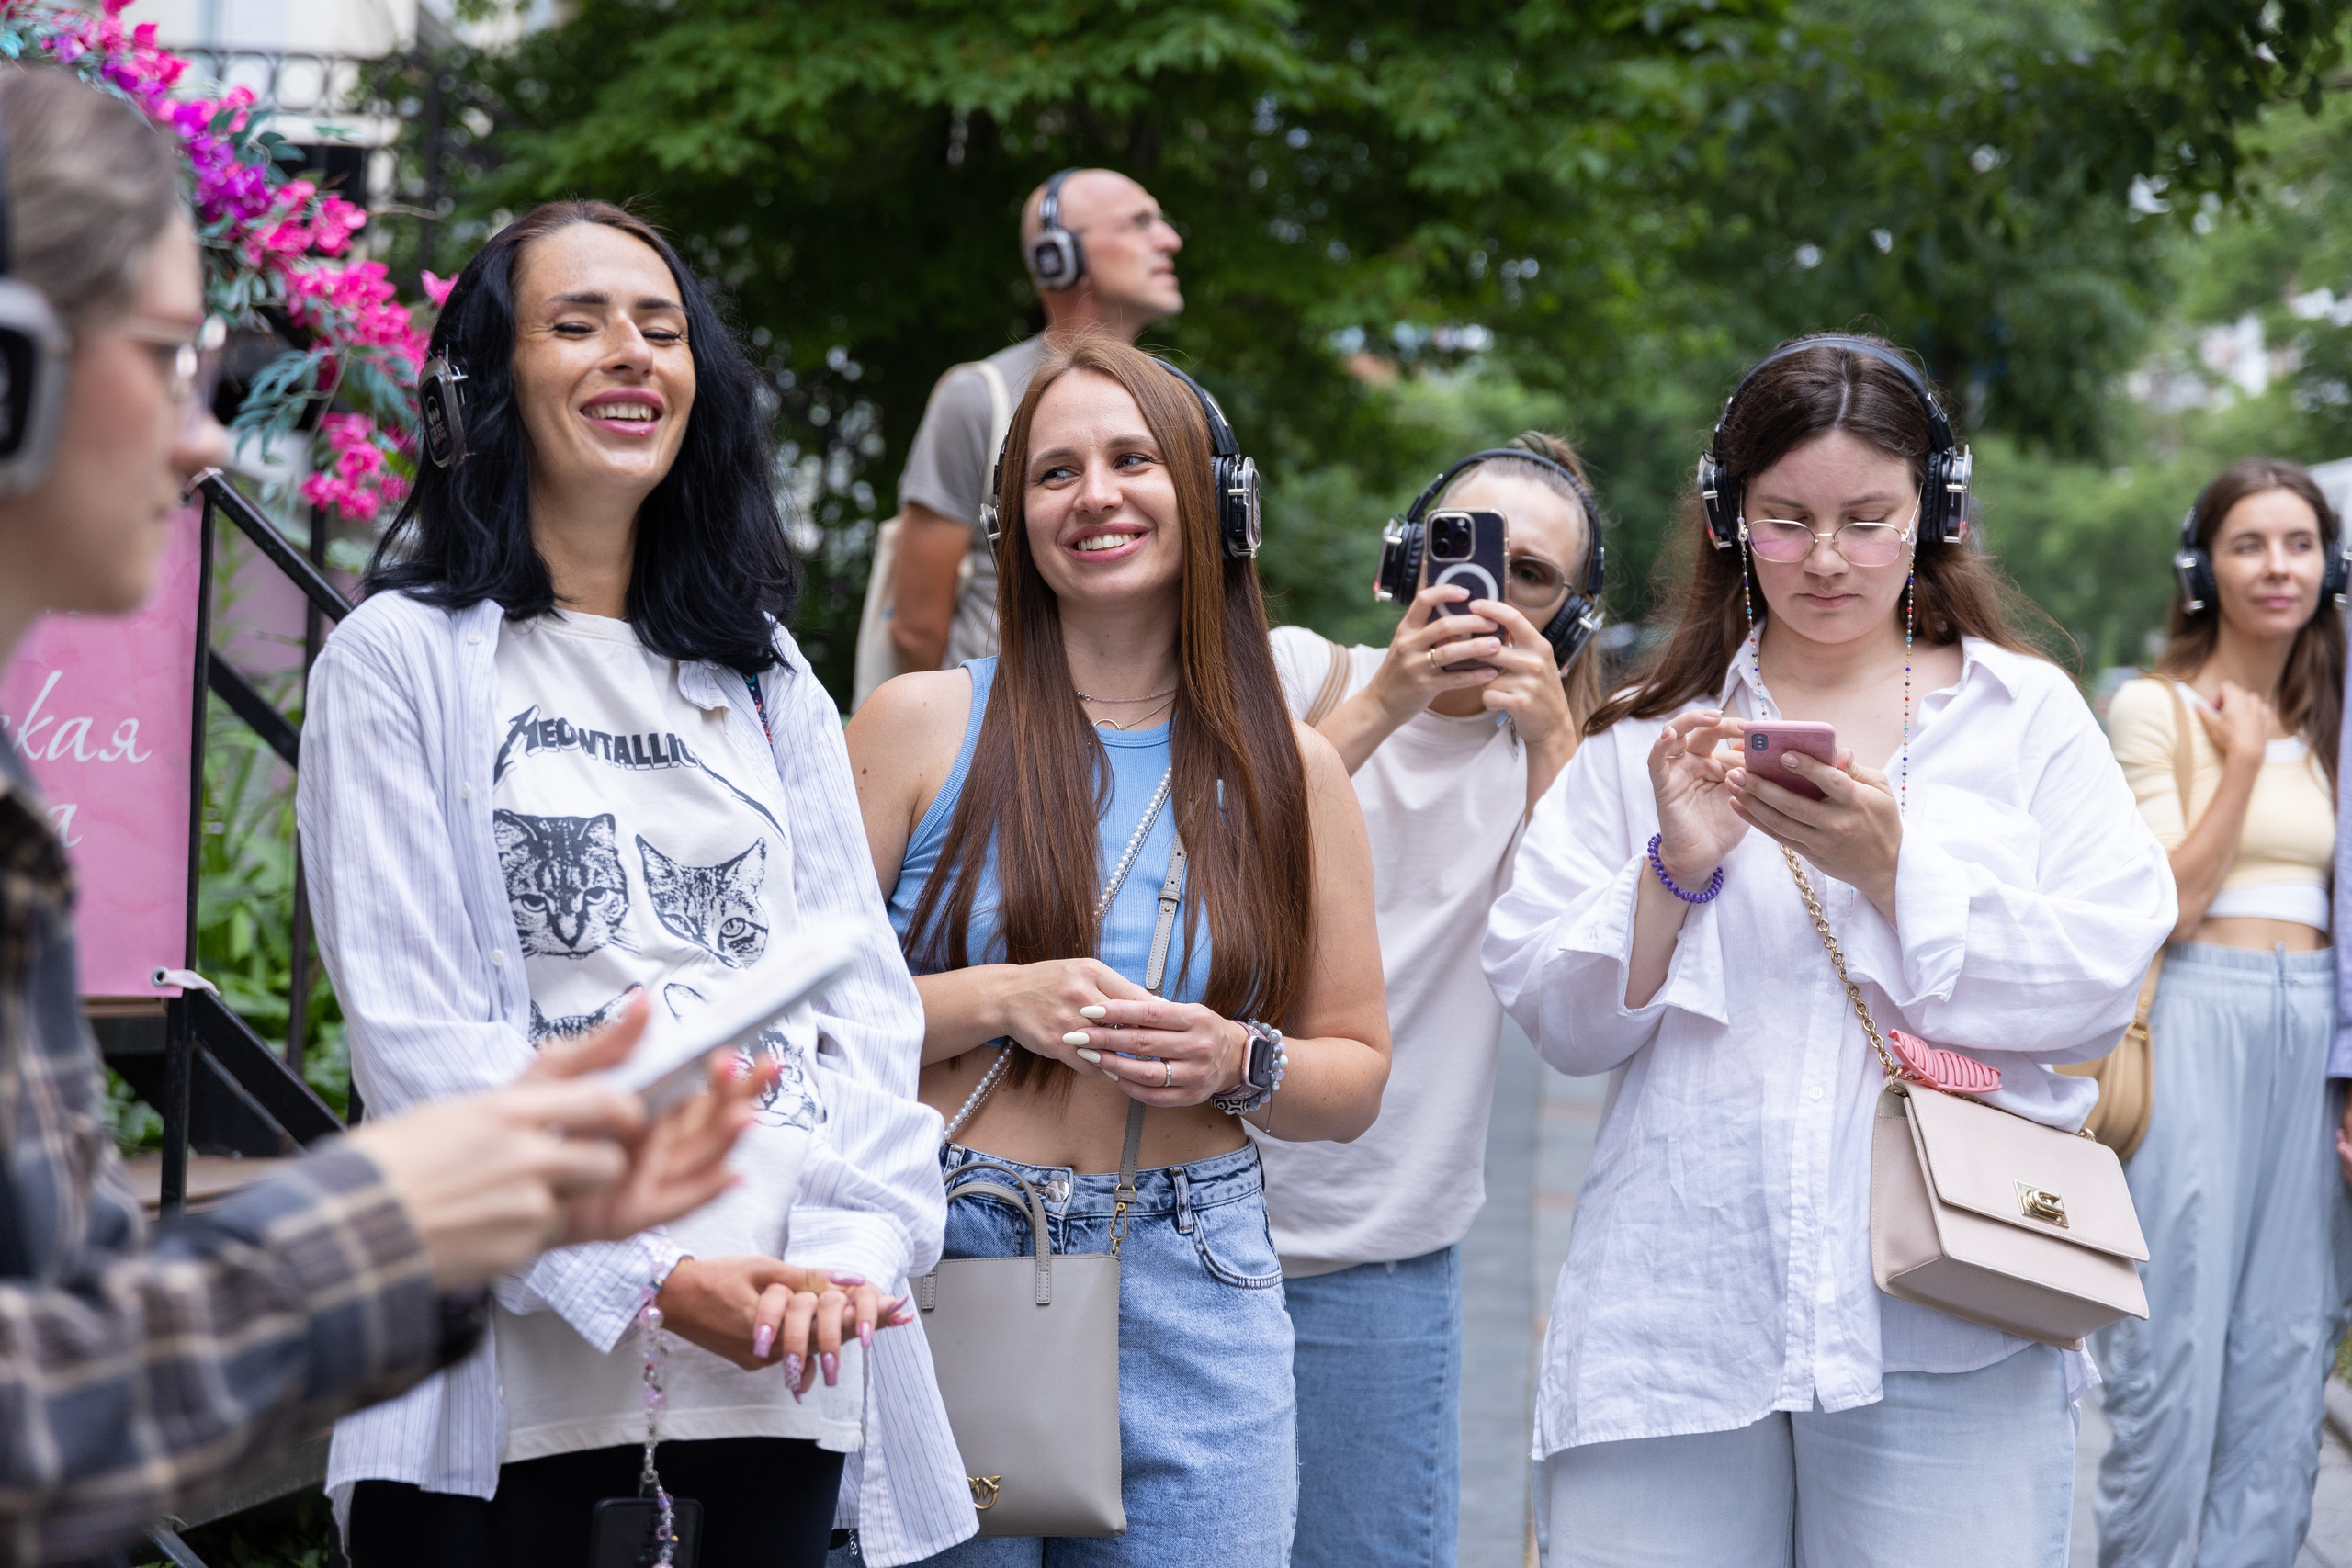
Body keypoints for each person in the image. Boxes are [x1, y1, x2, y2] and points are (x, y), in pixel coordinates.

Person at [0, 66, 768, 1566]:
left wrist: (454, 1205)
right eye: (168, 361)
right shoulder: (402, 662)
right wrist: (403, 1216)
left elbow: (74, 1345)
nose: (208, 441)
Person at [301, 199, 958, 1568]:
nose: (631, 355)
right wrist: (654, 1282)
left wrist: (847, 1258)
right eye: (577, 322)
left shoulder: (763, 671)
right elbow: (422, 1048)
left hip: (778, 1371)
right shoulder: (398, 658)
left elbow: (866, 1012)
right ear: (484, 379)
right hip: (504, 1399)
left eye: (662, 329)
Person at [1483, 333, 2174, 1567]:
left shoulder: (2026, 720)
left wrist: (1894, 871)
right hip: (1681, 1303)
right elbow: (1556, 1015)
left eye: (1868, 518)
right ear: (1726, 516)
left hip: (1952, 1301)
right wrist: (1674, 870)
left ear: (1936, 514)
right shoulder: (1647, 737)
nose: (1825, 557)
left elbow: (2097, 977)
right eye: (1786, 518)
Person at [847, 330, 1392, 1566]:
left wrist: (1235, 1058)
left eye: (1133, 458)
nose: (1095, 493)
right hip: (954, 1243)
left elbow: (1354, 1072)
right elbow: (794, 1021)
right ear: (1012, 519)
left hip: (1196, 1271)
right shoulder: (915, 724)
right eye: (1054, 471)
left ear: (1213, 499)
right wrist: (1003, 994)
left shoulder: (1290, 770)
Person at [1259, 433, 1603, 1568]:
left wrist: (1553, 732)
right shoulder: (1299, 673)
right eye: (1463, 554)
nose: (1488, 594)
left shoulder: (1556, 765)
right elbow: (1198, 852)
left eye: (1534, 578)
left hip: (1382, 1263)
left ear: (1568, 620)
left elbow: (1582, 970)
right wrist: (1385, 703)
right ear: (1402, 562)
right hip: (1190, 1227)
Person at [2095, 457, 2352, 1567]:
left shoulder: (2341, 723)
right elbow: (2171, 900)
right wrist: (2240, 758)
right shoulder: (2151, 709)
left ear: (2330, 563)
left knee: (2290, 1353)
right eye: (2248, 543)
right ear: (2201, 566)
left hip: (2316, 1035)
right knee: (2172, 1353)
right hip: (2197, 1014)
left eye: (2298, 543)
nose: (2277, 566)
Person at [858, 168, 1184, 702]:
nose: (1169, 239)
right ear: (1056, 256)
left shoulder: (1187, 404)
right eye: (1140, 222)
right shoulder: (977, 397)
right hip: (1000, 747)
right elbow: (916, 625)